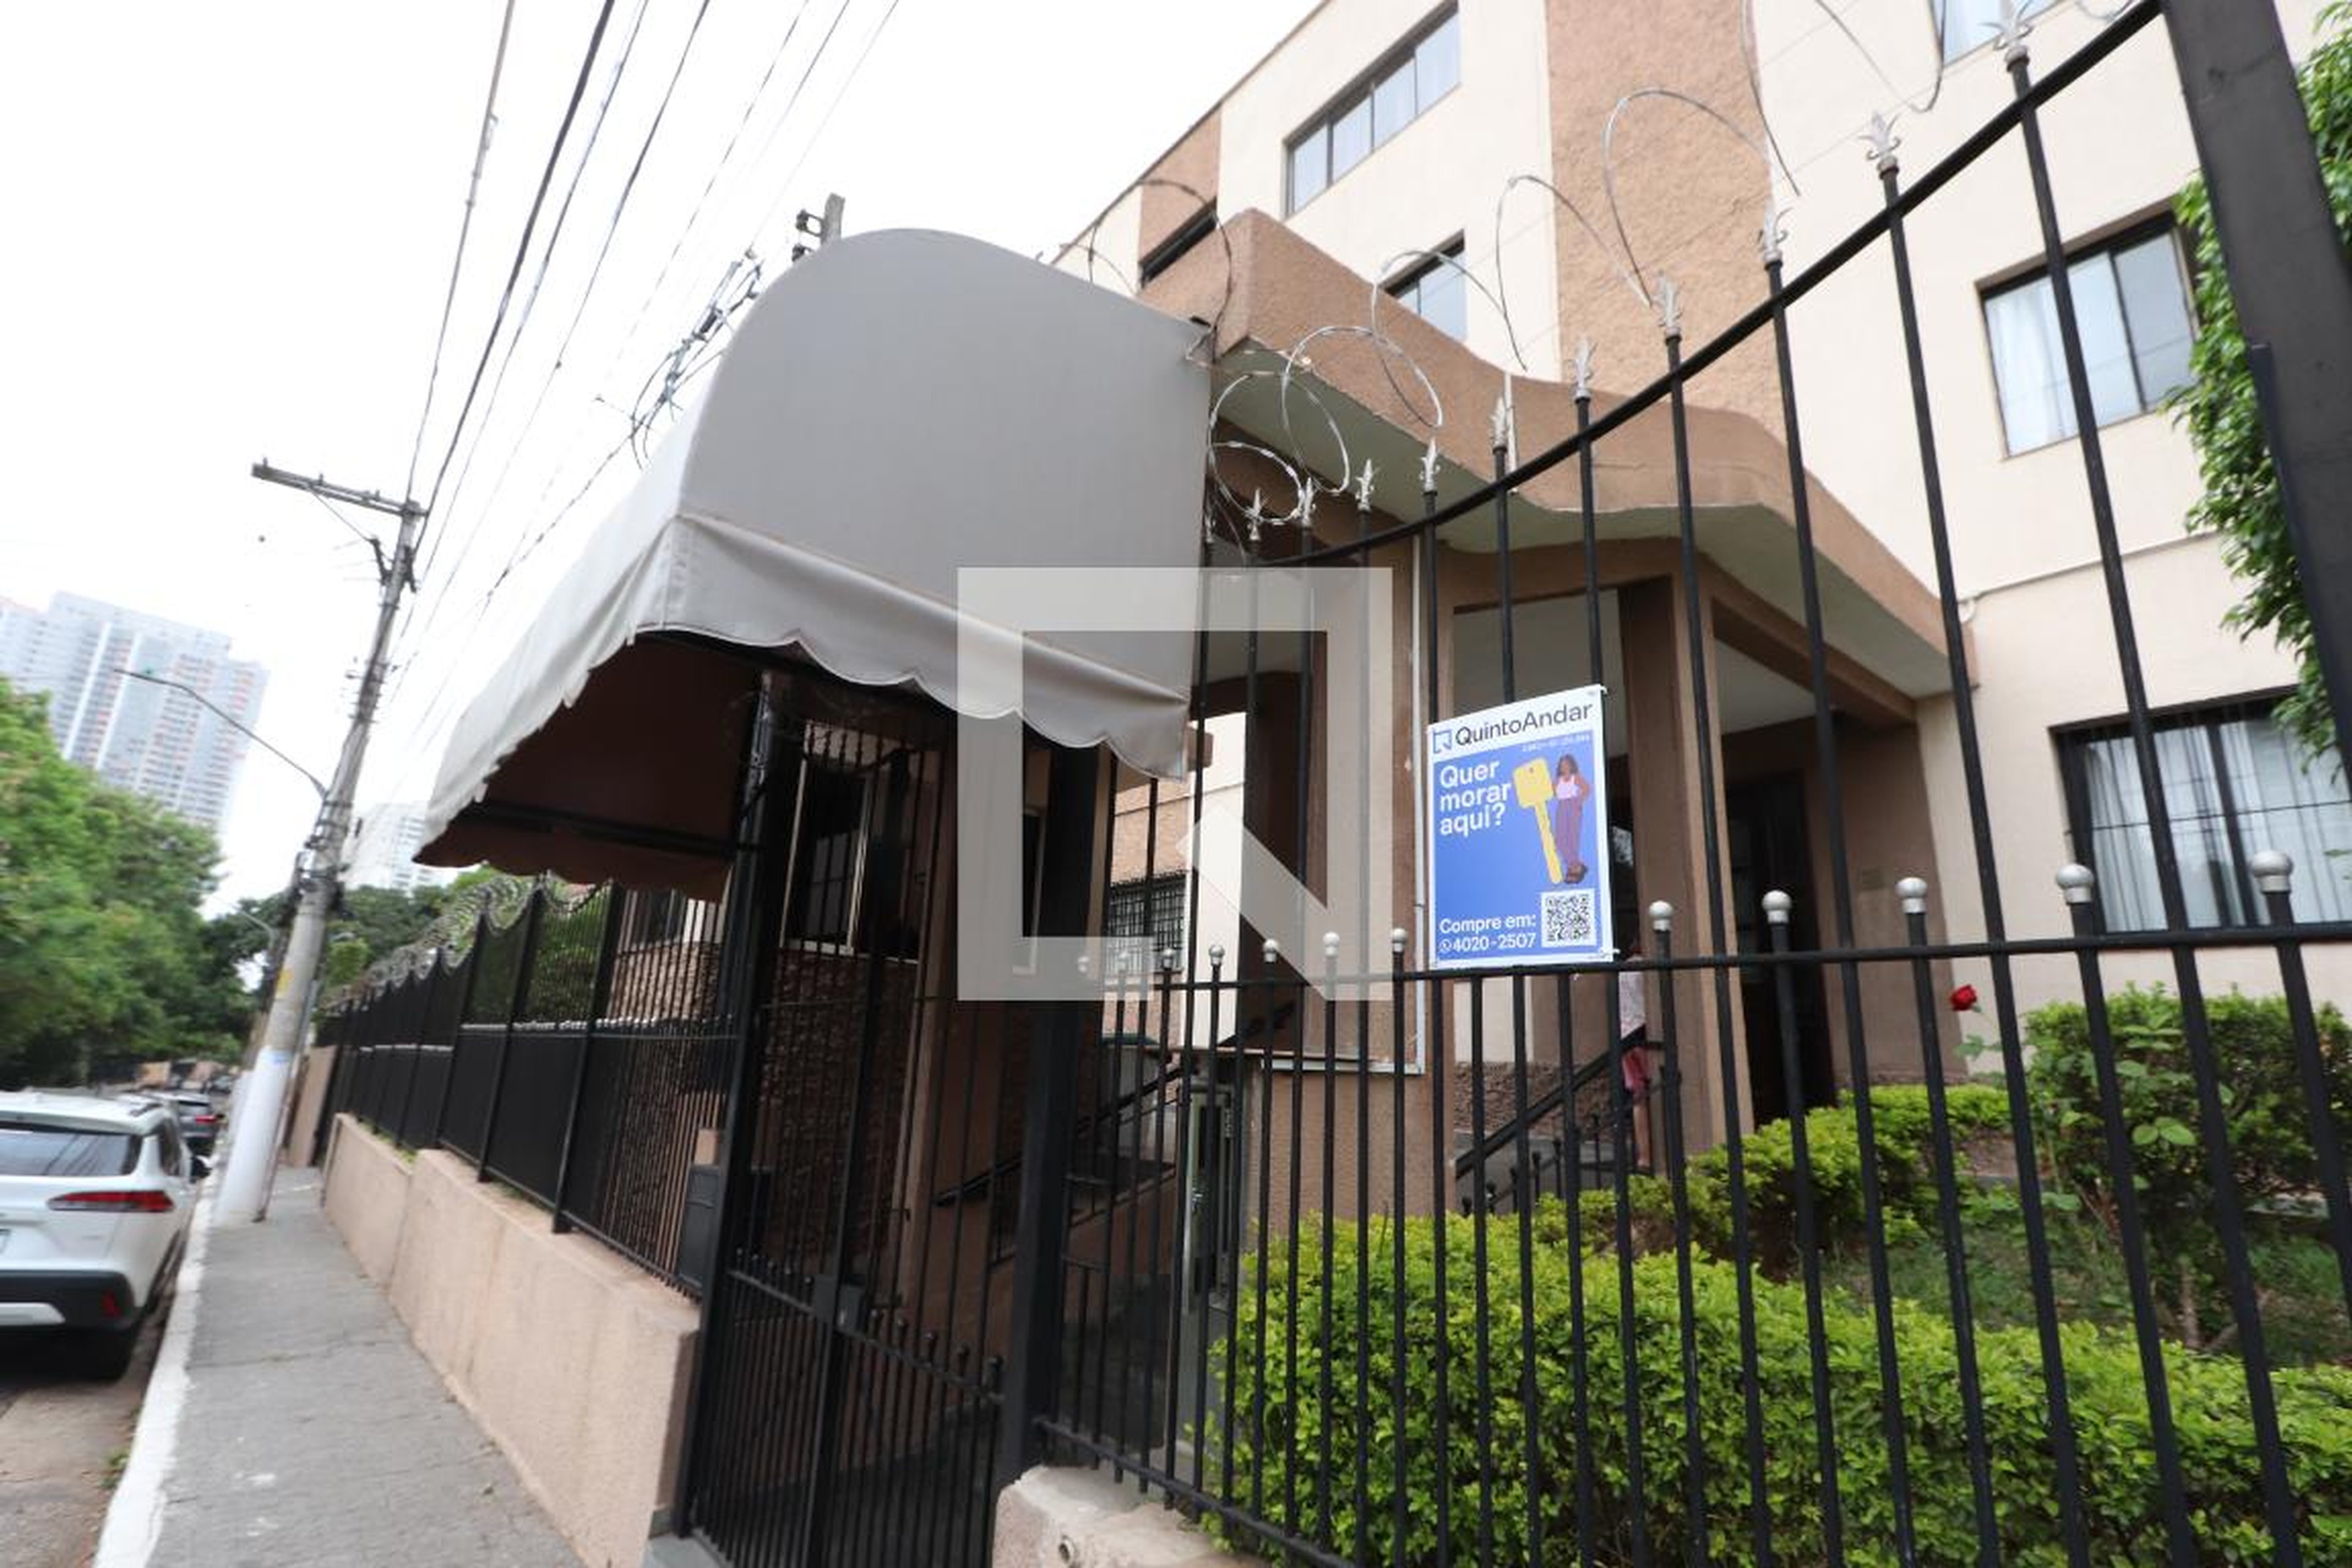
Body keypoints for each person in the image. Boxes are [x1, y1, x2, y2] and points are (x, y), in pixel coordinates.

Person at [1616, 943, 1654, 1169]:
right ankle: (1650, 1155)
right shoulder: (1645, 969)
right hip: (1644, 1032)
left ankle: (1644, 1156)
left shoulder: (1622, 970)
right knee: (1654, 1090)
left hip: (1625, 1035)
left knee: (1639, 1098)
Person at [1551, 753, 1590, 884]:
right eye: (1562, 765)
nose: (1564, 767)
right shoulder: (1557, 780)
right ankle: (1576, 865)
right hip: (1562, 807)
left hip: (1573, 805)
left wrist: (1579, 801)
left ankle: (1573, 869)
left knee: (1572, 838)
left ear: (1571, 765)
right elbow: (1551, 791)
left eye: (1566, 764)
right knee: (1560, 840)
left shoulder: (1575, 778)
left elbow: (1587, 789)